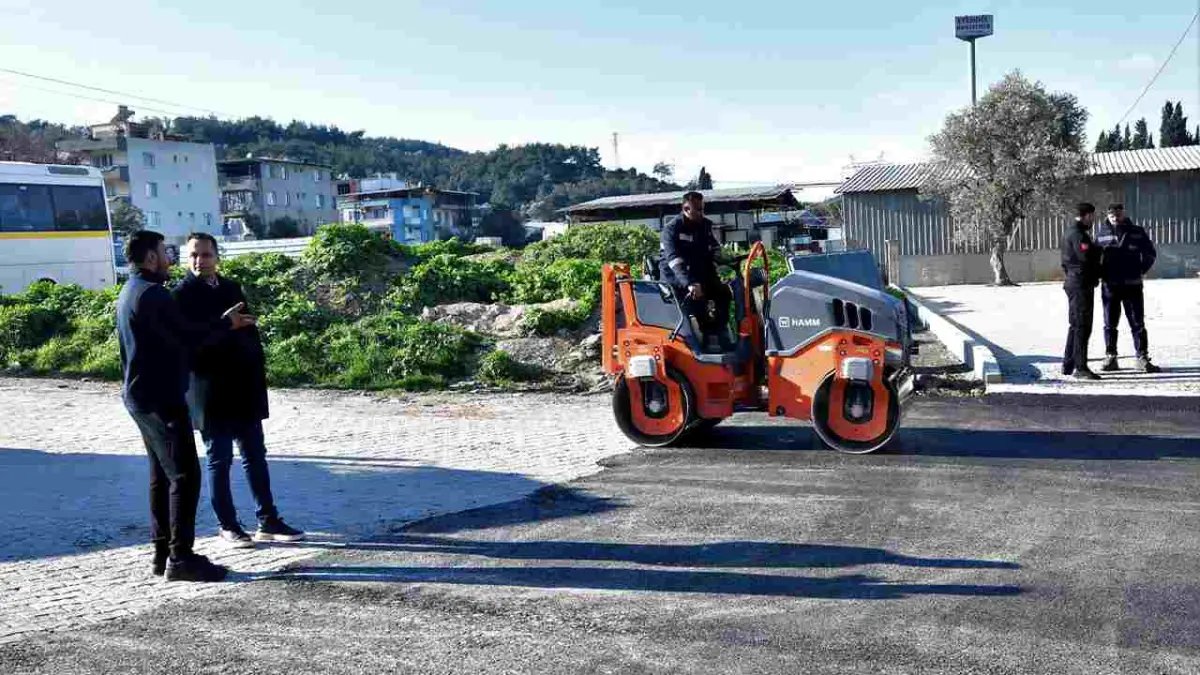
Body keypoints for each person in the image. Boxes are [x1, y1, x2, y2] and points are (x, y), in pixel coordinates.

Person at [116, 230, 256, 582]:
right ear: (150, 258)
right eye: (164, 252)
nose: (169, 258)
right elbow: (188, 337)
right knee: (185, 475)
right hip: (161, 400)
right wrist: (227, 323)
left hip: (141, 397)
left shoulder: (131, 290)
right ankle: (181, 558)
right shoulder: (154, 296)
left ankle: (163, 553)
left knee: (161, 476)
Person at [174, 233, 305, 548]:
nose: (199, 261)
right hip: (209, 390)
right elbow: (187, 344)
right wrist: (223, 326)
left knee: (255, 456)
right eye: (193, 255)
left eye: (205, 255)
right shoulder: (180, 296)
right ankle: (228, 525)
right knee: (219, 459)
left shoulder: (232, 288)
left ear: (217, 256)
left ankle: (268, 519)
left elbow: (246, 330)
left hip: (242, 387)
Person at [659, 191, 733, 350]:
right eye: (698, 210)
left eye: (702, 209)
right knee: (698, 301)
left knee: (724, 293)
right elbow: (674, 260)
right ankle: (705, 342)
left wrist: (723, 258)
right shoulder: (671, 230)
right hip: (678, 279)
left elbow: (712, 247)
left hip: (700, 273)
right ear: (686, 208)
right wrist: (690, 283)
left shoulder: (704, 225)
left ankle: (718, 332)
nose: (701, 213)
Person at [1094, 203, 1160, 373]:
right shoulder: (1101, 233)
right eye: (1112, 214)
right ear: (1108, 215)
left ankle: (1142, 358)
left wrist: (1140, 270)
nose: (1115, 216)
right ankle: (1111, 357)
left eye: (1118, 213)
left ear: (1123, 213)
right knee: (1110, 324)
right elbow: (1094, 257)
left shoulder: (1137, 232)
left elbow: (1150, 253)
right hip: (1110, 286)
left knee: (1137, 323)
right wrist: (1101, 273)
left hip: (1133, 285)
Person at [1060, 203, 1103, 380]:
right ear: (1086, 216)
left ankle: (1068, 363)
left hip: (1074, 281)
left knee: (1075, 324)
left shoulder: (1071, 232)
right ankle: (1080, 367)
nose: (1093, 220)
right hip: (1080, 284)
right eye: (1092, 217)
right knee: (1082, 326)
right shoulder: (1079, 235)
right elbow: (1086, 258)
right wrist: (1099, 250)